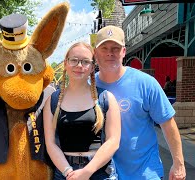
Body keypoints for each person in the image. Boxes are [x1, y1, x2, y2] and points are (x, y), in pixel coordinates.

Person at [94, 25, 186, 179]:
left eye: (116, 48)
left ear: (124, 52)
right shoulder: (87, 87)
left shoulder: (145, 83)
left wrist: (179, 163)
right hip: (103, 174)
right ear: (95, 53)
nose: (110, 53)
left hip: (144, 173)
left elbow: (168, 123)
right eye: (104, 48)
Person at [43, 42, 121, 179]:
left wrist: (87, 171)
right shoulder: (53, 100)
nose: (79, 66)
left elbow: (113, 141)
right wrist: (68, 172)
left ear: (92, 67)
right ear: (65, 64)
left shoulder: (106, 98)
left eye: (85, 62)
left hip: (100, 172)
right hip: (65, 172)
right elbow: (50, 143)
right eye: (74, 60)